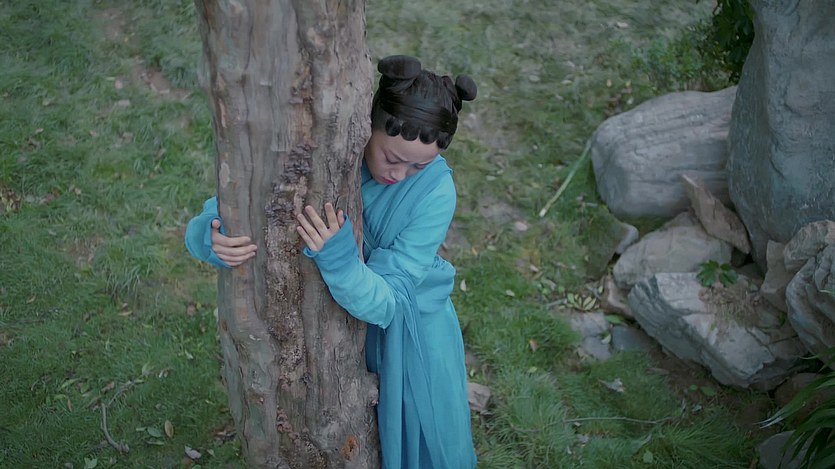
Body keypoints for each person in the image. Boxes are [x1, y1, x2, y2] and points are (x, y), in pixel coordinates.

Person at [185, 55, 477, 469]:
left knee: (418, 438)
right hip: (326, 332)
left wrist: (342, 262)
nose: (400, 175)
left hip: (411, 335)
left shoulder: (436, 194)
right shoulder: (334, 153)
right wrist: (209, 235)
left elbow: (390, 303)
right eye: (392, 158)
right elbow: (252, 198)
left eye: (418, 166)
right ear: (367, 127)